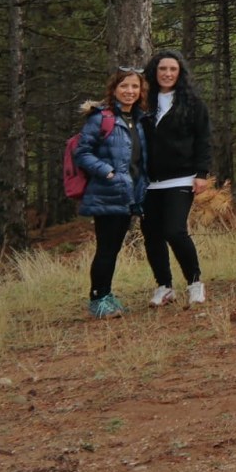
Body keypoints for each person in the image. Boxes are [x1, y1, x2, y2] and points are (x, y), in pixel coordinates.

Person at [76, 68, 151, 318]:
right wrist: (108, 172)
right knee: (107, 248)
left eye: (134, 87)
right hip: (107, 193)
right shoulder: (101, 118)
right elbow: (82, 153)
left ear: (141, 91)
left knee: (114, 247)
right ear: (114, 89)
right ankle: (98, 299)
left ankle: (107, 295)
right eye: (124, 86)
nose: (129, 91)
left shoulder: (139, 119)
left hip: (130, 194)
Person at [142, 49, 210, 307]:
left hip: (182, 178)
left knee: (175, 230)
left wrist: (202, 173)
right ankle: (164, 286)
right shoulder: (144, 102)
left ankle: (195, 283)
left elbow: (204, 140)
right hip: (149, 182)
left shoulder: (193, 104)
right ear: (154, 72)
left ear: (180, 73)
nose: (167, 74)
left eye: (172, 69)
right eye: (162, 69)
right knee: (151, 234)